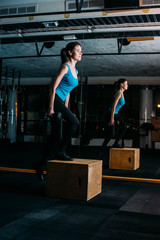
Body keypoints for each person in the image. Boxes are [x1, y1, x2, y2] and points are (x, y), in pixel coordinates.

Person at [34, 42, 82, 180]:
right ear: (69, 52)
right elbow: (52, 88)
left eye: (81, 51)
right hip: (53, 100)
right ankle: (61, 151)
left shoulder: (76, 71)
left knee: (56, 135)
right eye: (77, 50)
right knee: (75, 122)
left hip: (61, 102)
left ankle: (40, 165)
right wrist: (51, 108)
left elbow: (68, 91)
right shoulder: (65, 67)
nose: (80, 53)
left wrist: (66, 108)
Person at [99, 78, 128, 158]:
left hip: (116, 114)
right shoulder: (118, 93)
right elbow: (113, 107)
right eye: (126, 83)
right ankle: (101, 150)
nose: (127, 85)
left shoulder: (122, 93)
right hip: (111, 114)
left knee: (124, 126)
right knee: (111, 134)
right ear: (122, 84)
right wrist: (112, 119)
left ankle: (116, 143)